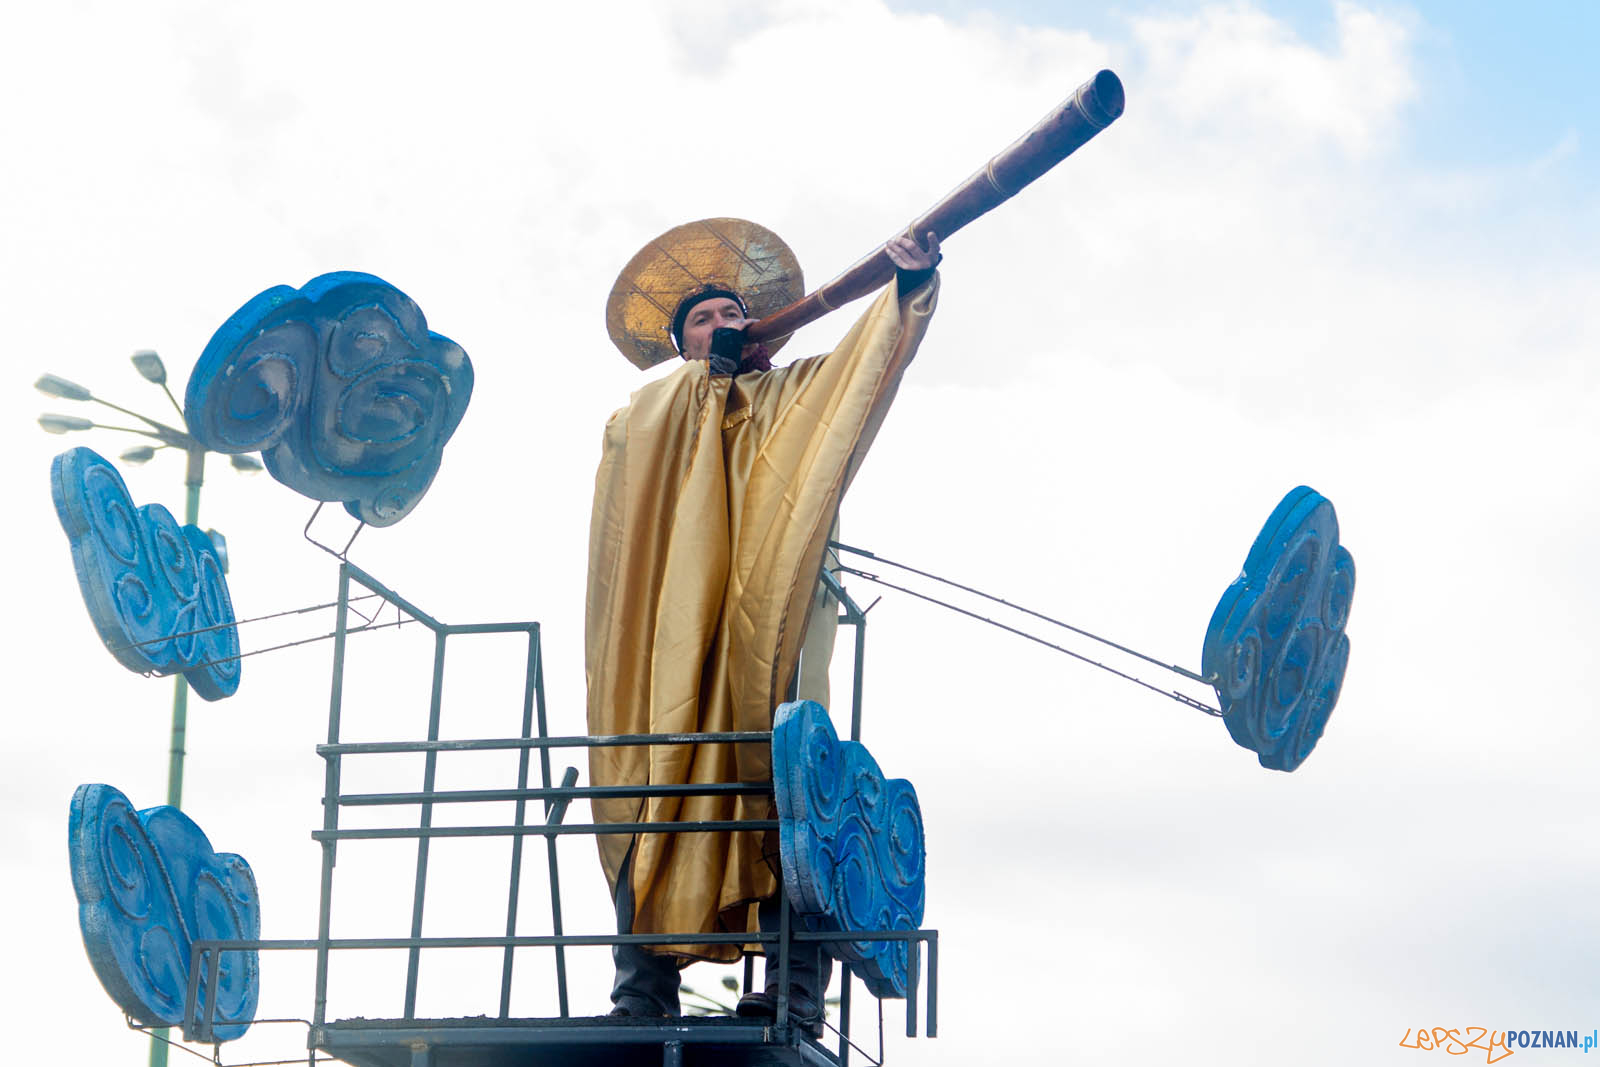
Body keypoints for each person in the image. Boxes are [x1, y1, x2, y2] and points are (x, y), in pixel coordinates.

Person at [587, 224, 941, 1032]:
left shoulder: (793, 396)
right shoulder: (649, 412)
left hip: (769, 626)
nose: (723, 324)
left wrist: (907, 289)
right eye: (705, 317)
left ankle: (792, 992)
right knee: (657, 784)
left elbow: (866, 371)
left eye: (732, 312)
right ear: (681, 344)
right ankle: (641, 992)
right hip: (667, 634)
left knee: (784, 786)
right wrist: (700, 380)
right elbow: (637, 440)